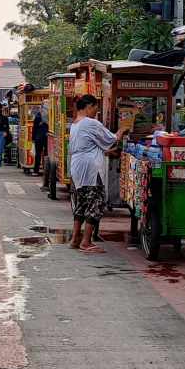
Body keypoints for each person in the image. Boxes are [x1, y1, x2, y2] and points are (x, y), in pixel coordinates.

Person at [68, 95, 127, 254]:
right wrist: (122, 129)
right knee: (96, 202)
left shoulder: (75, 124)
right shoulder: (90, 123)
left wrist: (107, 151)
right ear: (88, 106)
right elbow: (112, 138)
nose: (96, 111)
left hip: (78, 166)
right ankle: (86, 242)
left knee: (82, 202)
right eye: (95, 107)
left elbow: (90, 146)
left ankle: (75, 238)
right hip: (90, 168)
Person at [31, 111, 48, 177]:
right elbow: (34, 127)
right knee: (39, 154)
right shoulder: (38, 116)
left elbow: (34, 128)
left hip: (44, 137)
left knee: (44, 154)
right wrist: (33, 138)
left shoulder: (49, 114)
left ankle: (42, 170)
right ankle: (37, 170)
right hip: (40, 138)